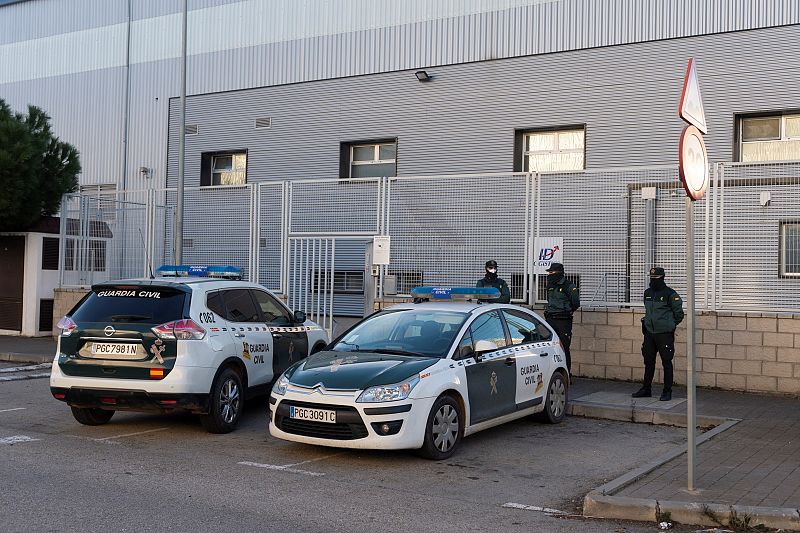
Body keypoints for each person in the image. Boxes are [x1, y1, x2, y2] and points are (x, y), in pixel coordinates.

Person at [632, 267, 685, 401]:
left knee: (666, 362)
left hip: (664, 334)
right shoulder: (647, 293)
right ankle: (646, 389)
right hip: (649, 333)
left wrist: (669, 325)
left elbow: (679, 314)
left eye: (656, 278)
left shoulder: (670, 294)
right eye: (652, 278)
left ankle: (667, 391)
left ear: (662, 278)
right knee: (648, 361)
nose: (653, 281)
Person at [543, 263, 579, 373]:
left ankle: (567, 374)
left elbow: (575, 303)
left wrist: (566, 311)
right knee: (550, 347)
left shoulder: (569, 286)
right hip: (550, 319)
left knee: (564, 348)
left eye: (551, 272)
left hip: (564, 321)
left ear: (559, 273)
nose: (549, 275)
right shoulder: (550, 285)